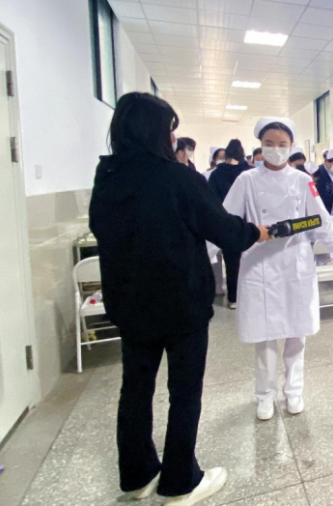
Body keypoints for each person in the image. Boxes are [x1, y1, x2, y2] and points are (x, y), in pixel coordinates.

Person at [89, 93, 265, 505]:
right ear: (156, 131)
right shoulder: (177, 177)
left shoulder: (108, 175)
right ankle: (180, 481)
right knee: (184, 391)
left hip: (130, 302)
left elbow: (102, 229)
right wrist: (254, 232)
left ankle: (137, 475)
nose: (173, 138)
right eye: (170, 129)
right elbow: (222, 229)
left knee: (135, 387)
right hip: (179, 302)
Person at [223, 117, 333, 421]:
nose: (276, 150)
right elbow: (224, 222)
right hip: (259, 262)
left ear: (291, 146)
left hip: (295, 262)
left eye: (282, 144)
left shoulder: (302, 180)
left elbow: (319, 220)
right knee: (265, 337)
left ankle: (294, 391)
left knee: (296, 334)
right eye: (269, 144)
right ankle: (264, 395)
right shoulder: (246, 180)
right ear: (260, 146)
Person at [208, 139, 253, 310]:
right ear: (242, 154)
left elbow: (212, 200)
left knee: (231, 263)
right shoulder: (250, 172)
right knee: (251, 262)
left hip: (227, 223)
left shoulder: (216, 174)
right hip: (250, 223)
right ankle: (249, 296)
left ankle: (233, 298)